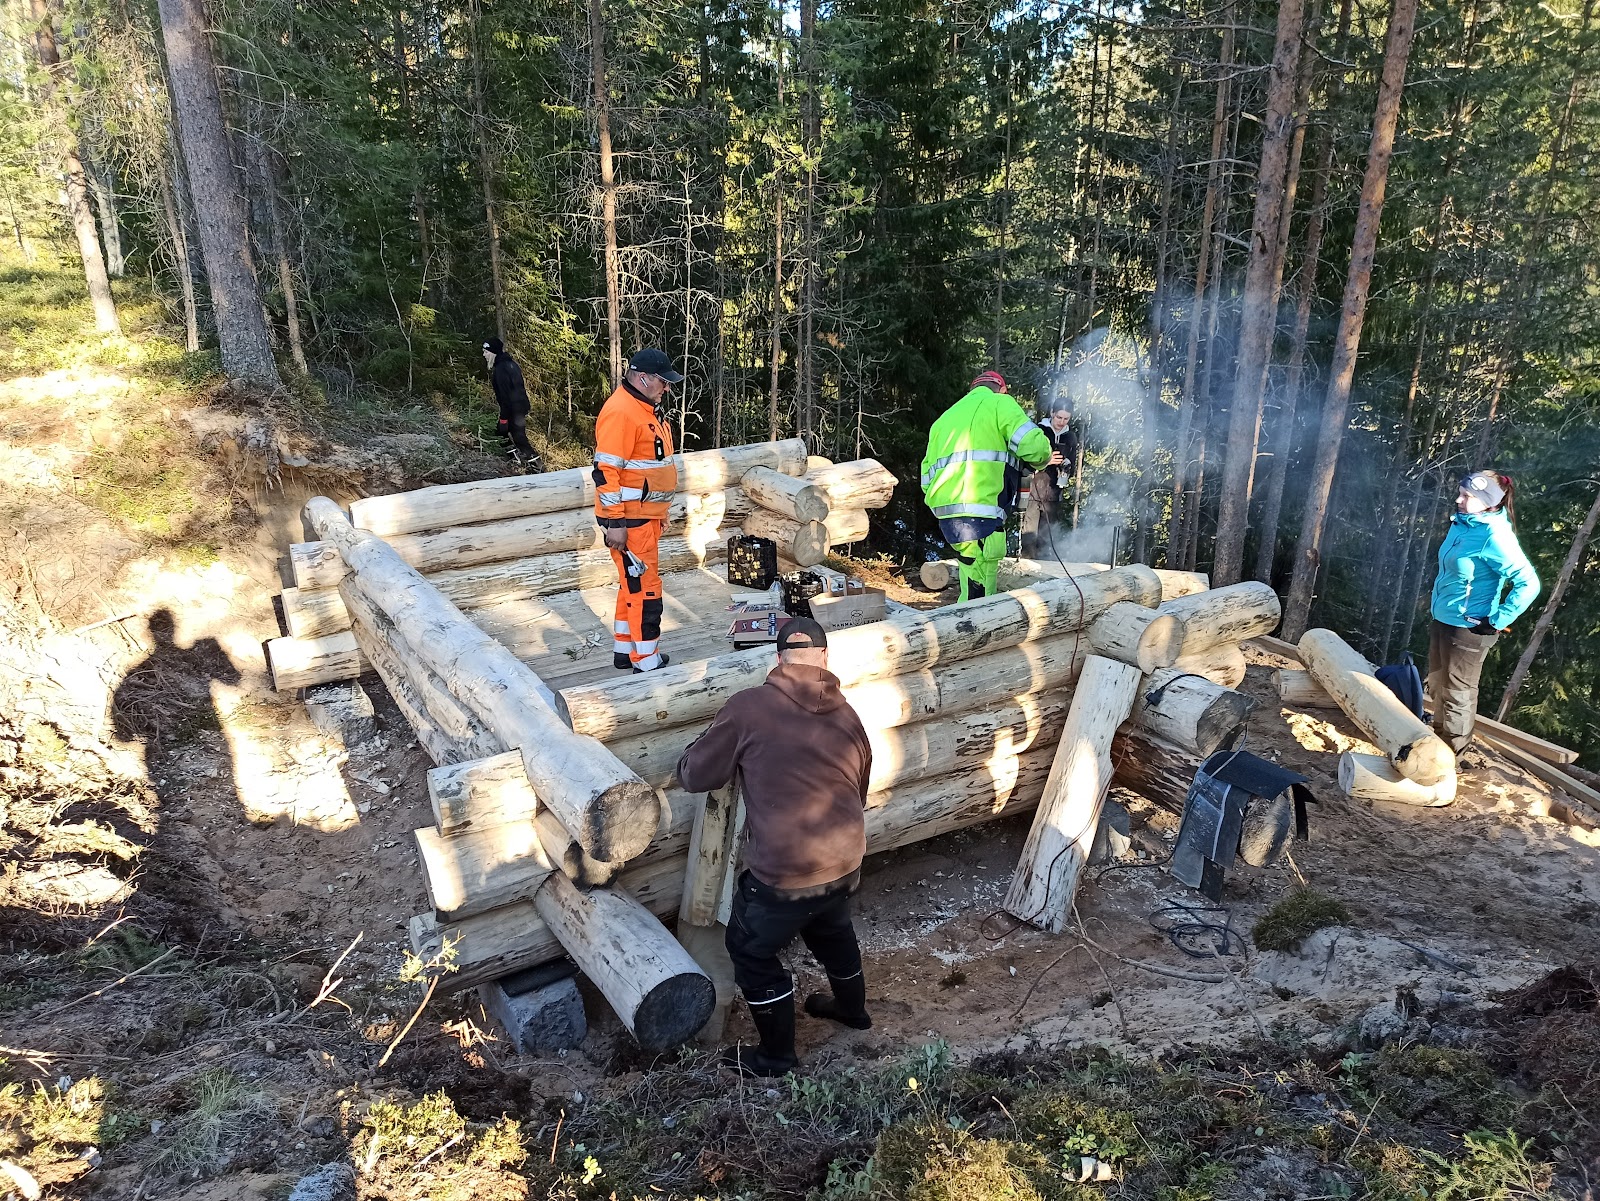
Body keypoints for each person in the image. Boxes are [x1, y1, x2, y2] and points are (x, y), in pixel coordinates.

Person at [676, 618, 873, 1077]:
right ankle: (853, 1012)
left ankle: (777, 1056)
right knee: (832, 927)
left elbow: (696, 775)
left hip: (783, 875)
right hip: (845, 859)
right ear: (824, 659)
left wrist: (692, 751)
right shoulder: (848, 714)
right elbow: (860, 788)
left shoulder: (750, 708)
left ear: (778, 660)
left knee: (750, 951)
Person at [1427, 470, 1540, 759]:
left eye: (1467, 496)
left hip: (1469, 629)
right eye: (1460, 493)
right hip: (1444, 619)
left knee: (1458, 695)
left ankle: (1451, 757)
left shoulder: (1494, 534)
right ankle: (1439, 742)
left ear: (1487, 502)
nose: (1458, 500)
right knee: (1440, 684)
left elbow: (1529, 583)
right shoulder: (1464, 525)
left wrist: (1498, 620)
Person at [921, 370, 1059, 601]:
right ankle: (982, 627)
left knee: (970, 570)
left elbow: (926, 478)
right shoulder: (1000, 404)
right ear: (1003, 390)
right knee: (984, 582)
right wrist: (1044, 458)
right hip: (984, 513)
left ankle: (967, 623)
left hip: (949, 517)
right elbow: (1033, 447)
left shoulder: (944, 419)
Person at [595, 348, 682, 673]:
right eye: (663, 381)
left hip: (644, 517)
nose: (667, 388)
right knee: (646, 590)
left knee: (630, 585)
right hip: (629, 521)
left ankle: (625, 649)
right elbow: (606, 471)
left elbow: (650, 466)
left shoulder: (644, 407)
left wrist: (659, 510)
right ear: (643, 378)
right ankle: (646, 659)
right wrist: (616, 522)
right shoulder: (622, 411)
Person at [1021, 405, 1078, 557]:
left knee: (1047, 539)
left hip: (1054, 495)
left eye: (1066, 418)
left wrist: (1066, 467)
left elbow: (1073, 466)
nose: (1062, 422)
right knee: (1028, 536)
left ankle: (1044, 571)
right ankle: (1026, 571)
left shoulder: (1070, 437)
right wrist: (1046, 461)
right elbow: (1025, 462)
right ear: (1052, 413)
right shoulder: (1038, 431)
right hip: (1033, 492)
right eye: (1059, 417)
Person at [483, 338, 538, 467]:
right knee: (503, 434)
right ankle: (516, 460)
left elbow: (505, 396)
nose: (484, 355)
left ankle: (537, 466)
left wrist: (503, 418)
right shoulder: (512, 364)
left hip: (514, 409)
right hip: (520, 407)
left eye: (485, 352)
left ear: (493, 352)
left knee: (517, 438)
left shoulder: (501, 369)